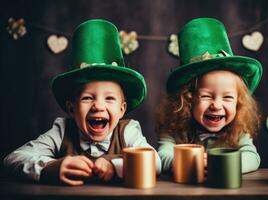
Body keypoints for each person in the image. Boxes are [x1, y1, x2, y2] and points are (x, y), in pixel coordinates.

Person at [3, 19, 161, 185]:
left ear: (122, 109)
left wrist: (115, 165)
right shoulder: (62, 130)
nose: (98, 106)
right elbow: (12, 159)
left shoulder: (128, 131)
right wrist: (51, 167)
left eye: (109, 98)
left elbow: (155, 162)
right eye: (87, 97)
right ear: (71, 108)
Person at [156, 18, 262, 174]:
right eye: (206, 96)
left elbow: (253, 158)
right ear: (187, 99)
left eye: (228, 97)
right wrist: (181, 163)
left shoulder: (238, 130)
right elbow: (162, 155)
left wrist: (223, 164)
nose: (217, 105)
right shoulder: (175, 129)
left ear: (238, 103)